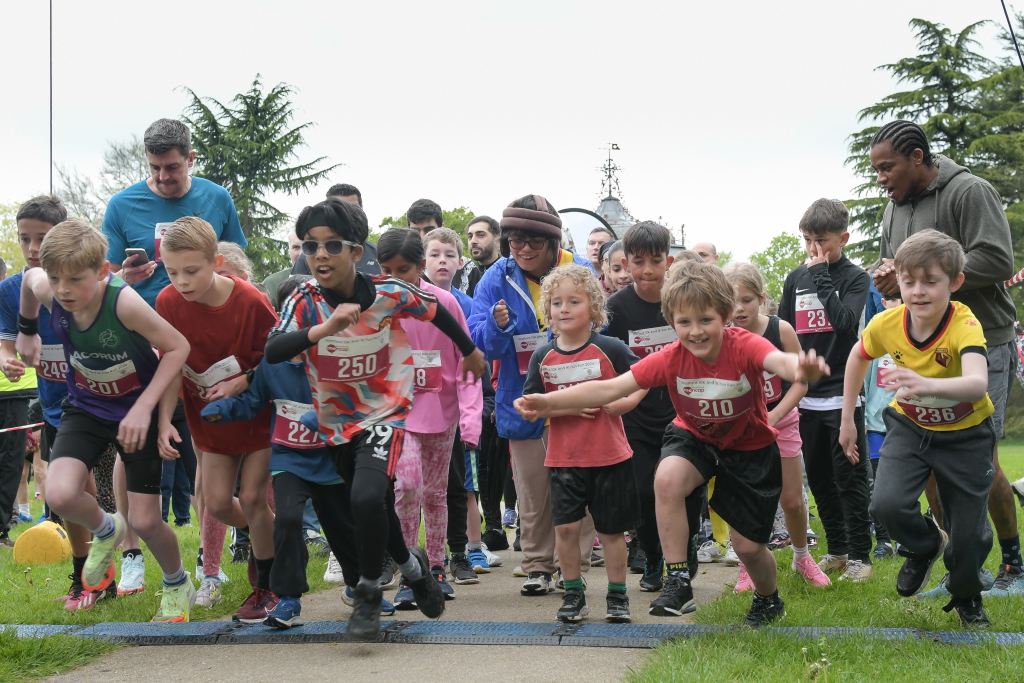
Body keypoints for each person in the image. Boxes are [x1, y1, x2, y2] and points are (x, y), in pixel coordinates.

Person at [516, 261, 829, 626]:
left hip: (748, 448)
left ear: (726, 315)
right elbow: (610, 388)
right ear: (671, 321)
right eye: (684, 322)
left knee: (748, 548)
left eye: (706, 320)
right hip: (693, 437)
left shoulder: (744, 345)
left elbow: (776, 359)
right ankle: (678, 578)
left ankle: (768, 598)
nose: (695, 332)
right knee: (665, 479)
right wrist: (550, 403)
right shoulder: (670, 357)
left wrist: (798, 367)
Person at [265, 198, 485, 640]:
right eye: (310, 246)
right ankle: (411, 567)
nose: (320, 255)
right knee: (374, 503)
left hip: (386, 411)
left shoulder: (387, 292)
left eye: (332, 245)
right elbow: (273, 350)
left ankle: (366, 591)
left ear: (355, 251)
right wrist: (323, 331)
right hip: (335, 422)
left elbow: (435, 309)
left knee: (368, 496)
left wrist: (470, 350)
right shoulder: (306, 299)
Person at [869, 120, 1022, 596]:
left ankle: (1013, 564)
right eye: (875, 169)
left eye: (887, 166)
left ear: (918, 158)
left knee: (981, 462)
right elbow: (889, 264)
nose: (881, 177)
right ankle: (964, 568)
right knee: (932, 463)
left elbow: (998, 260)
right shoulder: (893, 210)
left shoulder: (969, 191)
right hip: (921, 349)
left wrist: (929, 273)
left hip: (982, 340)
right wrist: (886, 277)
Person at [14, 219, 194, 622]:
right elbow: (30, 278)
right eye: (57, 279)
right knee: (59, 495)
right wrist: (27, 331)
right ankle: (108, 530)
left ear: (102, 271)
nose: (63, 290)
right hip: (87, 406)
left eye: (75, 280)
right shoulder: (51, 289)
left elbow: (177, 346)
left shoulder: (124, 303)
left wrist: (145, 408)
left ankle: (177, 582)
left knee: (147, 521)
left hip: (135, 410)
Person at [202, 274, 392, 628]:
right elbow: (252, 402)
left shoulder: (337, 359)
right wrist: (222, 411)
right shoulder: (272, 364)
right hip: (289, 460)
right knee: (287, 521)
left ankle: (362, 592)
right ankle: (288, 599)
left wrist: (324, 416)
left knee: (341, 529)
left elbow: (363, 404)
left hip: (330, 460)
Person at [103, 117, 240, 592]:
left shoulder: (216, 198)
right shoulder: (122, 204)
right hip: (142, 333)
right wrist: (127, 279)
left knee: (206, 445)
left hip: (204, 337)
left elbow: (236, 266)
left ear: (191, 159)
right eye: (156, 169)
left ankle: (210, 557)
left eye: (173, 168)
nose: (164, 177)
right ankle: (131, 554)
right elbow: (104, 279)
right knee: (132, 441)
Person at [840, 230, 996, 627]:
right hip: (910, 426)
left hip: (966, 434)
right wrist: (848, 418)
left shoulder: (964, 322)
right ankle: (924, 545)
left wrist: (926, 383)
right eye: (909, 282)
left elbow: (977, 382)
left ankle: (966, 594)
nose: (918, 291)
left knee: (971, 537)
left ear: (954, 283)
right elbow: (858, 356)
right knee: (886, 504)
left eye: (931, 281)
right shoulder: (886, 323)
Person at [468, 194, 599, 596]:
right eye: (515, 240)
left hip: (576, 396)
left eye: (534, 241)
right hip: (521, 399)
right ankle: (538, 565)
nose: (523, 248)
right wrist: (497, 325)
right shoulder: (497, 277)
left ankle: (571, 566)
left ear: (554, 241)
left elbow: (602, 327)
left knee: (579, 484)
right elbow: (477, 343)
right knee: (532, 488)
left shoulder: (579, 269)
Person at [156, 217, 278, 623]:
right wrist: (163, 421)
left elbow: (279, 360)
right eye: (172, 272)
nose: (182, 282)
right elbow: (171, 367)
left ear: (217, 262)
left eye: (192, 271)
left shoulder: (250, 301)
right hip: (210, 421)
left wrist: (242, 381)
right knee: (219, 503)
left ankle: (267, 582)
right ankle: (276, 538)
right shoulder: (167, 303)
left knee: (257, 498)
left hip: (259, 413)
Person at [523, 264, 644, 622]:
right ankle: (574, 594)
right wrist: (564, 408)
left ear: (593, 306)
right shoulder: (542, 356)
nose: (564, 309)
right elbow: (534, 405)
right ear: (548, 311)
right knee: (566, 529)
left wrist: (619, 405)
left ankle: (618, 596)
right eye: (556, 302)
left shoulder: (611, 348)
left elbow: (642, 382)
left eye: (573, 301)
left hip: (610, 458)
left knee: (611, 532)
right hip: (563, 459)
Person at [377, 228, 483, 602]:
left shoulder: (445, 303)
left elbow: (469, 360)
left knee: (436, 493)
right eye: (386, 270)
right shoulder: (375, 306)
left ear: (420, 266)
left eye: (403, 269)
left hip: (442, 409)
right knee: (406, 487)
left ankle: (435, 566)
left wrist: (471, 418)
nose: (395, 278)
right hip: (397, 415)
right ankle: (411, 570)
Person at [779, 198, 873, 583]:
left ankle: (861, 557)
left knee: (848, 475)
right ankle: (836, 549)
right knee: (817, 476)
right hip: (806, 396)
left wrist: (821, 275)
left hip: (843, 394)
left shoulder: (855, 277)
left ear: (844, 238)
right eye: (807, 241)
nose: (814, 250)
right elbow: (784, 332)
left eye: (823, 241)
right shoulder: (794, 278)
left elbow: (847, 324)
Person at [723, 262, 830, 590]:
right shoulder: (722, 336)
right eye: (732, 300)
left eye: (747, 300)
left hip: (780, 420)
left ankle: (801, 557)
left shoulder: (780, 330)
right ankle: (747, 563)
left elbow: (801, 383)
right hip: (740, 429)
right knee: (742, 498)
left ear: (762, 298)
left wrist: (774, 416)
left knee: (792, 500)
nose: (739, 308)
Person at [603, 221, 685, 592]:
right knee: (642, 491)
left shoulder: (682, 299)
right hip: (634, 416)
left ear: (669, 261)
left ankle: (682, 559)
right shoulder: (616, 308)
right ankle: (652, 556)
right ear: (626, 262)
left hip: (683, 413)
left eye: (655, 261)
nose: (647, 270)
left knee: (683, 490)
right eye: (638, 262)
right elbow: (609, 362)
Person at [291, 184, 381, 278]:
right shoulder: (306, 258)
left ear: (356, 252)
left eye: (352, 208)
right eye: (337, 210)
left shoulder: (378, 255)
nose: (321, 254)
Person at [405, 198, 480, 296]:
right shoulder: (402, 267)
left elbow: (479, 307)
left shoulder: (467, 268)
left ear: (442, 227)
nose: (422, 237)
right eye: (416, 231)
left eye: (429, 230)